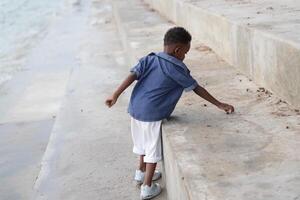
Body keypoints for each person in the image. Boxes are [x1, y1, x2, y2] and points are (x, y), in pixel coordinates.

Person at [105, 27, 234, 200]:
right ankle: (147, 186)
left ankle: (140, 172)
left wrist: (115, 95)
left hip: (135, 109)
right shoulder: (177, 68)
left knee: (142, 144)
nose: (185, 57)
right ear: (177, 50)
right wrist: (219, 104)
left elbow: (131, 75)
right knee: (152, 150)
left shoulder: (149, 58)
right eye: (185, 53)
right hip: (152, 114)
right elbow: (196, 88)